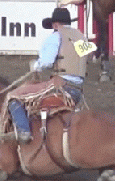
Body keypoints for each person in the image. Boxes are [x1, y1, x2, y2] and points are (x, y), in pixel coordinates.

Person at [6, 8, 89, 143]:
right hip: (77, 90)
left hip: (61, 87)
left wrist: (36, 66)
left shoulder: (56, 37)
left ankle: (24, 132)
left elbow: (47, 62)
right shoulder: (81, 37)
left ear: (55, 24)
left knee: (13, 98)